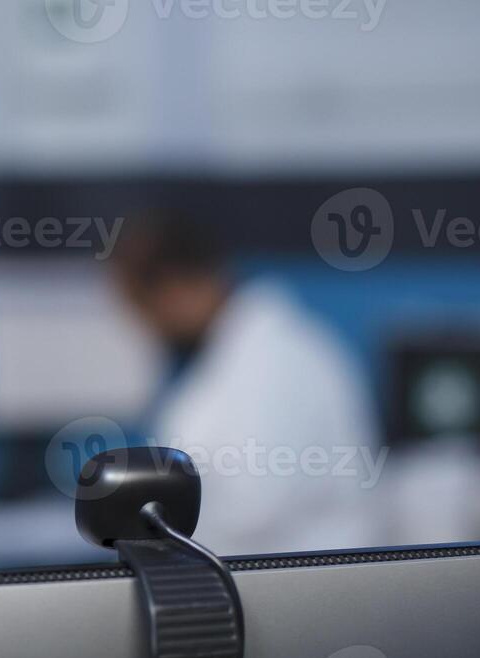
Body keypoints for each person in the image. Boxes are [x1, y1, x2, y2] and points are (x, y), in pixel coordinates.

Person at [115, 212, 381, 555]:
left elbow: (255, 507)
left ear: (176, 287)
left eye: (141, 308)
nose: (146, 328)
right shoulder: (234, 357)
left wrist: (148, 523)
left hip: (303, 584)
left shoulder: (276, 362)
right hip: (266, 578)